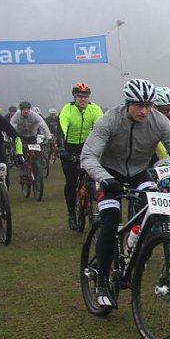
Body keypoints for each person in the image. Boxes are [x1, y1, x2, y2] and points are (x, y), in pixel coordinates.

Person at [80, 78, 170, 308]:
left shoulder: (159, 121)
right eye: (139, 105)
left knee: (155, 213)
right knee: (110, 222)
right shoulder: (110, 119)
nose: (144, 111)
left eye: (148, 105)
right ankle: (101, 281)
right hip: (109, 174)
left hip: (139, 173)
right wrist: (104, 178)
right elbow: (88, 156)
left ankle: (136, 250)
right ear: (127, 103)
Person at [59, 82, 104, 230]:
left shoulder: (94, 109)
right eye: (80, 96)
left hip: (87, 147)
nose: (83, 99)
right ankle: (72, 213)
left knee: (93, 178)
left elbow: (102, 128)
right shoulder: (67, 110)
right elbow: (62, 129)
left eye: (85, 96)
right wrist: (61, 148)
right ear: (74, 97)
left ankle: (93, 200)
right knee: (71, 181)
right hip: (69, 148)